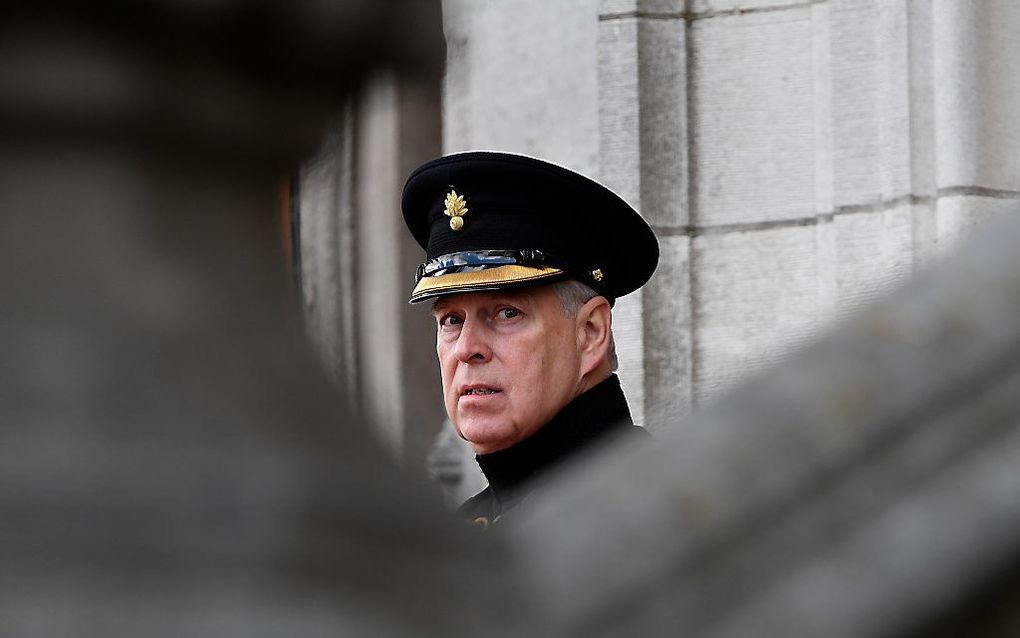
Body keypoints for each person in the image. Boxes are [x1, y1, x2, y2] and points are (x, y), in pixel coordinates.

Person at [402, 151, 659, 526]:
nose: (467, 348)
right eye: (452, 320)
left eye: (507, 312)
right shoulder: (470, 523)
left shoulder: (645, 507)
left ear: (591, 332)